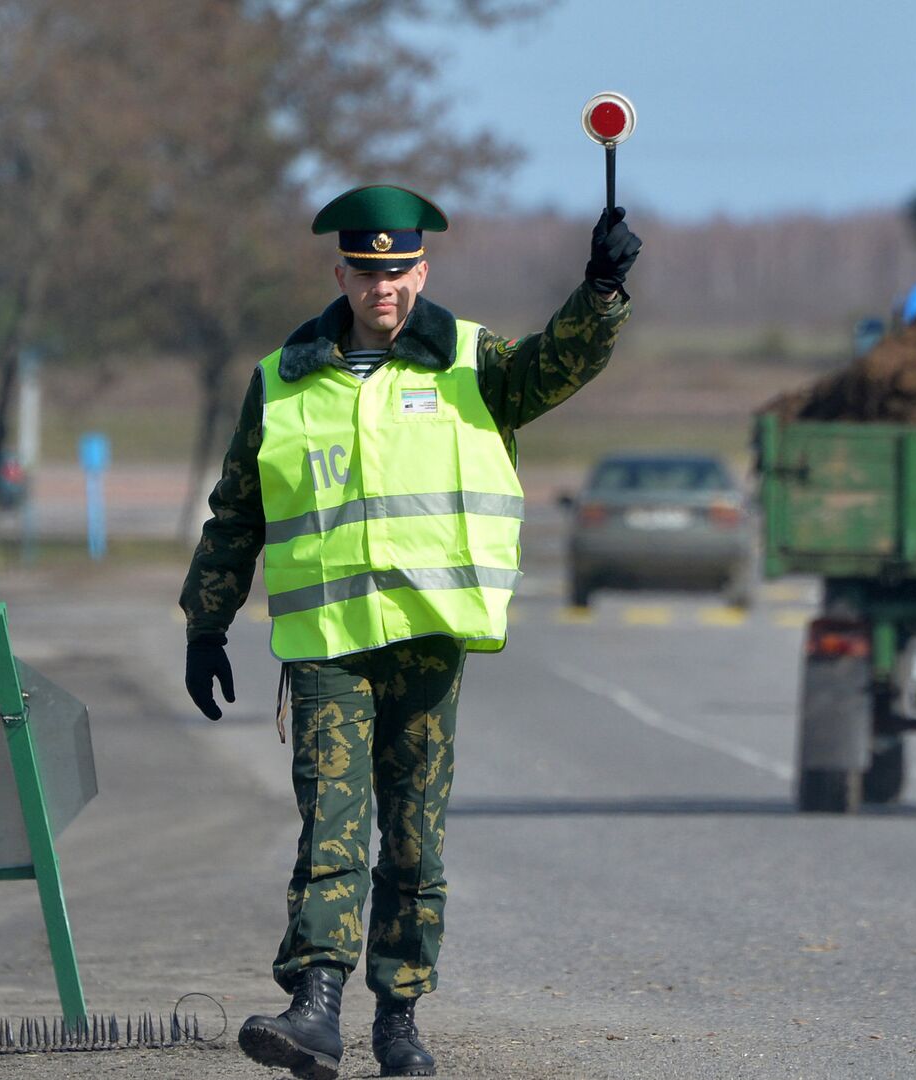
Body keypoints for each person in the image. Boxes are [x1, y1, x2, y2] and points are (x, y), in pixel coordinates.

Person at [180, 184, 640, 1079]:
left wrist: (601, 290)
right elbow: (236, 512)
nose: (382, 287)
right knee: (331, 828)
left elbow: (558, 366)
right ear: (339, 271)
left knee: (416, 838)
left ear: (421, 272)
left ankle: (400, 1016)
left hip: (427, 639)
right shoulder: (283, 379)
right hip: (326, 647)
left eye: (398, 271)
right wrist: (207, 623)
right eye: (366, 270)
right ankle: (314, 1007)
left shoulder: (471, 362)